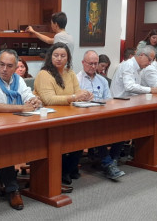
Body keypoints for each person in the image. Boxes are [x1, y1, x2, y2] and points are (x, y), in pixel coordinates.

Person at [0, 49, 42, 210]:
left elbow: (27, 96)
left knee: (42, 137)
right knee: (6, 145)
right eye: (1, 64)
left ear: (15, 67)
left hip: (14, 125)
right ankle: (13, 189)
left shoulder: (18, 79)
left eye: (9, 66)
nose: (4, 69)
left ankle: (43, 182)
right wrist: (23, 107)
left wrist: (34, 101)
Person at [34, 42, 92, 185]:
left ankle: (70, 168)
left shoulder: (70, 73)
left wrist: (85, 94)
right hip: (49, 117)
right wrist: (73, 97)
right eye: (56, 55)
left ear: (68, 58)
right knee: (63, 140)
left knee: (80, 136)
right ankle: (62, 171)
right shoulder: (44, 74)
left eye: (63, 56)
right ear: (50, 57)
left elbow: (77, 91)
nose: (59, 59)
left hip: (68, 114)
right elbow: (48, 100)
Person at [77, 50, 125, 179]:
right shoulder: (77, 80)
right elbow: (72, 103)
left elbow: (109, 100)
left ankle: (113, 160)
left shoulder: (102, 81)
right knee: (97, 131)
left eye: (95, 63)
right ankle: (108, 164)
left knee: (123, 127)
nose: (93, 66)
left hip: (102, 115)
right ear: (83, 63)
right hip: (84, 118)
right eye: (90, 63)